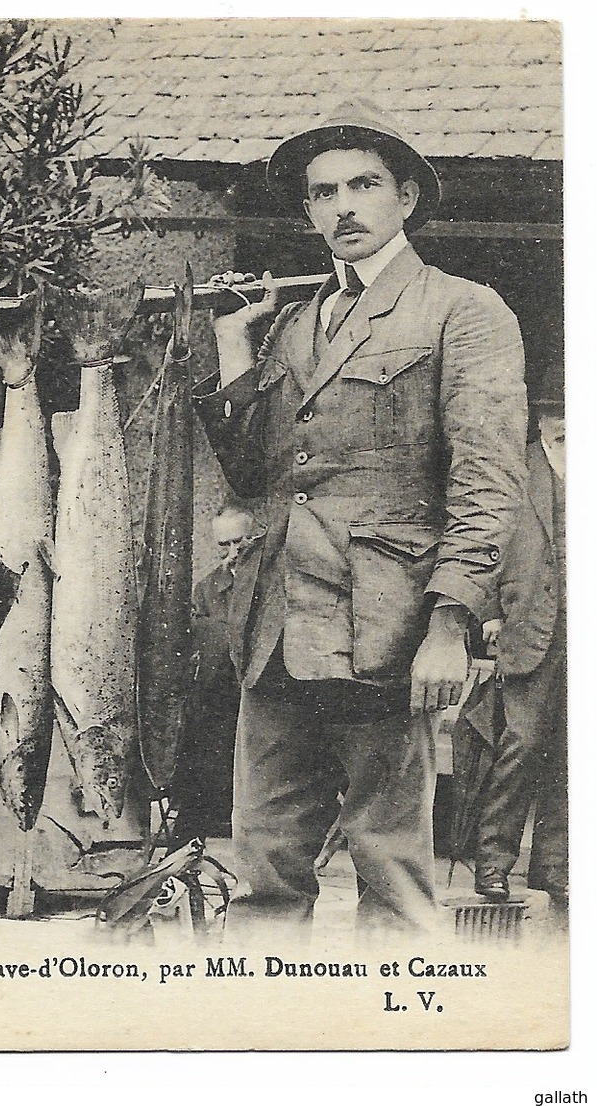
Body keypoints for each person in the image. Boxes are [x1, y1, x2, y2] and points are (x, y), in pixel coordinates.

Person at [196, 98, 527, 935]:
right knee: (263, 869)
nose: (342, 206)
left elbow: (488, 478)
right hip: (275, 630)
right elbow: (258, 475)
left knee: (390, 870)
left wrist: (449, 624)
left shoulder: (462, 309)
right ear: (307, 210)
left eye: (363, 185)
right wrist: (236, 347)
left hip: (387, 628)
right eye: (321, 192)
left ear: (405, 198)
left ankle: (398, 1042)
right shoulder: (297, 324)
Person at [471, 366, 566, 912]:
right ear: (540, 416)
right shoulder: (514, 470)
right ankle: (493, 866)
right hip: (527, 628)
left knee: (574, 755)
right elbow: (480, 539)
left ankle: (554, 867)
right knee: (520, 748)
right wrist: (487, 612)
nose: (566, 424)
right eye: (556, 414)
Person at [172, 505, 255, 843]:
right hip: (220, 705)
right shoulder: (207, 590)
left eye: (241, 543)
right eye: (225, 546)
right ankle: (185, 852)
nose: (233, 554)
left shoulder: (275, 586)